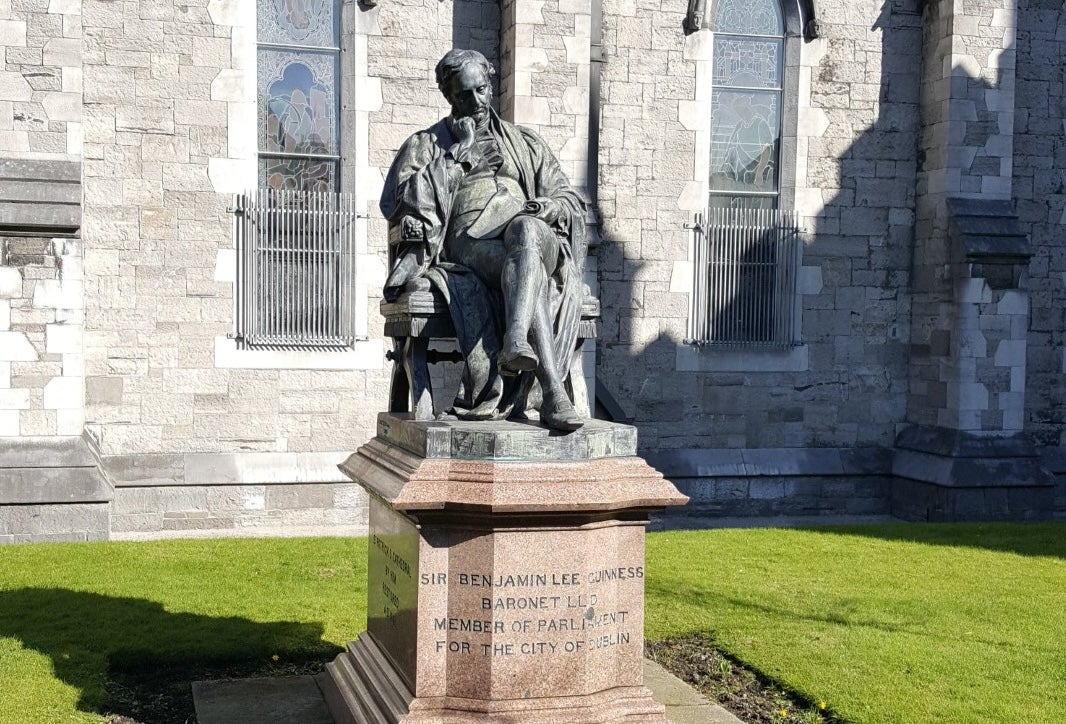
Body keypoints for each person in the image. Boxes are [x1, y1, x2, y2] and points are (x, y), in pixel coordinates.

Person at [380, 49, 587, 431]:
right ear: (449, 96)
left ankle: (515, 340)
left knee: (527, 230)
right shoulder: (427, 143)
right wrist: (459, 152)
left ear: (490, 86)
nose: (476, 101)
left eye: (481, 90)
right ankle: (553, 392)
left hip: (526, 227)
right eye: (464, 94)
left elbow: (566, 195)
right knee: (531, 273)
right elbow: (398, 199)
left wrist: (550, 206)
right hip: (469, 240)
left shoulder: (524, 142)